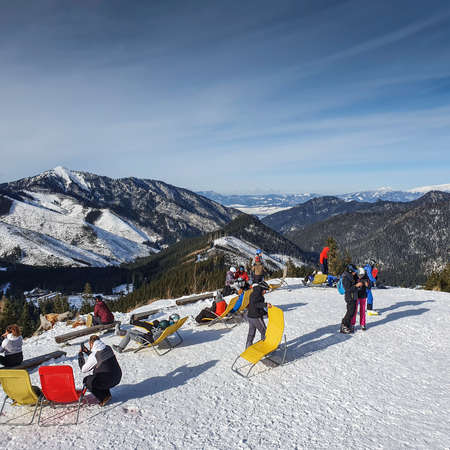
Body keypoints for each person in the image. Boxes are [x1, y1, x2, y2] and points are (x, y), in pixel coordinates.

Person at [78, 335, 122, 406]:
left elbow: (84, 369)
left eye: (90, 345)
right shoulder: (108, 347)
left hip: (109, 380)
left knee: (87, 381)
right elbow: (99, 358)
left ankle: (103, 398)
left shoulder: (94, 355)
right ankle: (107, 395)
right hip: (117, 377)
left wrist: (80, 355)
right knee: (101, 373)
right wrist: (87, 352)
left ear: (91, 344)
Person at [246, 281, 272, 348]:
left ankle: (248, 347)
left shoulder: (255, 293)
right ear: (262, 289)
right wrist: (265, 304)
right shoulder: (257, 295)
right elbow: (256, 304)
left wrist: (265, 313)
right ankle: (265, 347)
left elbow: (257, 307)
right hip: (256, 317)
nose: (265, 292)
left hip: (250, 316)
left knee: (251, 332)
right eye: (265, 290)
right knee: (265, 332)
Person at [340, 265, 363, 334]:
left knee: (352, 312)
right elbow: (348, 289)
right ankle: (344, 325)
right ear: (350, 271)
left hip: (354, 296)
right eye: (354, 272)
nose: (355, 273)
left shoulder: (352, 276)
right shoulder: (345, 277)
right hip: (349, 297)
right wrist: (356, 286)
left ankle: (347, 325)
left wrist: (358, 284)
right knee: (350, 312)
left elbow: (355, 283)